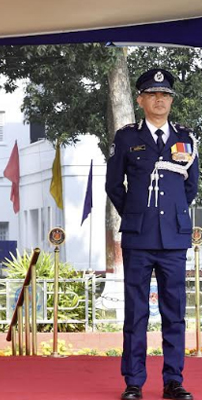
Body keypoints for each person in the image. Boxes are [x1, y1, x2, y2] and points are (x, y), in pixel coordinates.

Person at [106, 68, 198, 400]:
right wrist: (136, 214)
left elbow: (190, 186)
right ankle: (134, 382)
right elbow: (114, 185)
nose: (160, 100)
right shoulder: (126, 138)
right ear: (140, 100)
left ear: (171, 101)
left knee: (175, 313)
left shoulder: (186, 138)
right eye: (153, 94)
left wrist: (171, 216)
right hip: (139, 238)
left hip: (173, 239)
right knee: (136, 312)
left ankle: (173, 380)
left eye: (165, 95)